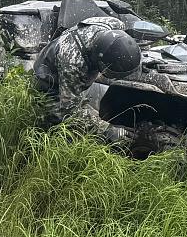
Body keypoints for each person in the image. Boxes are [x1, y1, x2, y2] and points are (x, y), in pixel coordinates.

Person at [33, 14, 153, 145]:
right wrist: (108, 130)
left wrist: (135, 62)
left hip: (75, 62)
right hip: (49, 82)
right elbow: (69, 110)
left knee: (92, 118)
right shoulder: (73, 63)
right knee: (67, 128)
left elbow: (125, 45)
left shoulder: (114, 25)